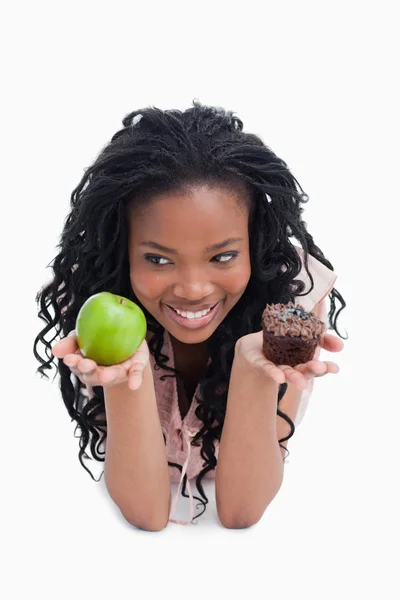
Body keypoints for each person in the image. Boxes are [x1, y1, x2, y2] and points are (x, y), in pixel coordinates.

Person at [34, 100, 346, 531]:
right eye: (158, 260)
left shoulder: (293, 298)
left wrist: (254, 371)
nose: (193, 289)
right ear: (123, 251)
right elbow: (147, 514)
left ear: (254, 245)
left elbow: (240, 512)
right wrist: (128, 375)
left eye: (223, 256)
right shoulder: (95, 297)